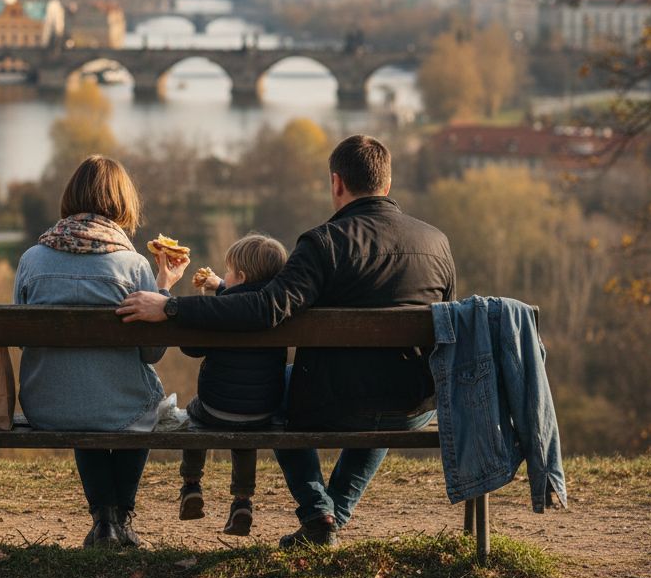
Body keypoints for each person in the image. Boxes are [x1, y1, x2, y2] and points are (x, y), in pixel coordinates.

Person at [118, 134, 455, 548]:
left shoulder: (323, 244)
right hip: (414, 402)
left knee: (280, 391)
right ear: (387, 184)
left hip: (338, 402)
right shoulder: (436, 243)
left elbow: (264, 309)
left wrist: (172, 308)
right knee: (383, 394)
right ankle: (328, 517)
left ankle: (319, 512)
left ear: (337, 183)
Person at [15, 155, 188, 549]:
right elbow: (151, 354)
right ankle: (118, 518)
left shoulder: (32, 260)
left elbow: (25, 339)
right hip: (120, 407)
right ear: (122, 202)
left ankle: (104, 519)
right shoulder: (133, 266)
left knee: (79, 391)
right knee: (143, 406)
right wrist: (162, 290)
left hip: (47, 405)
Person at [177, 234, 288, 536]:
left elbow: (191, 348)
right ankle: (242, 502)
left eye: (228, 272)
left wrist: (203, 303)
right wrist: (221, 287)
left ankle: (191, 485)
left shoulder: (222, 309)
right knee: (245, 433)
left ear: (240, 276)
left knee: (192, 414)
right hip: (262, 410)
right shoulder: (278, 310)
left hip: (214, 406)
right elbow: (247, 298)